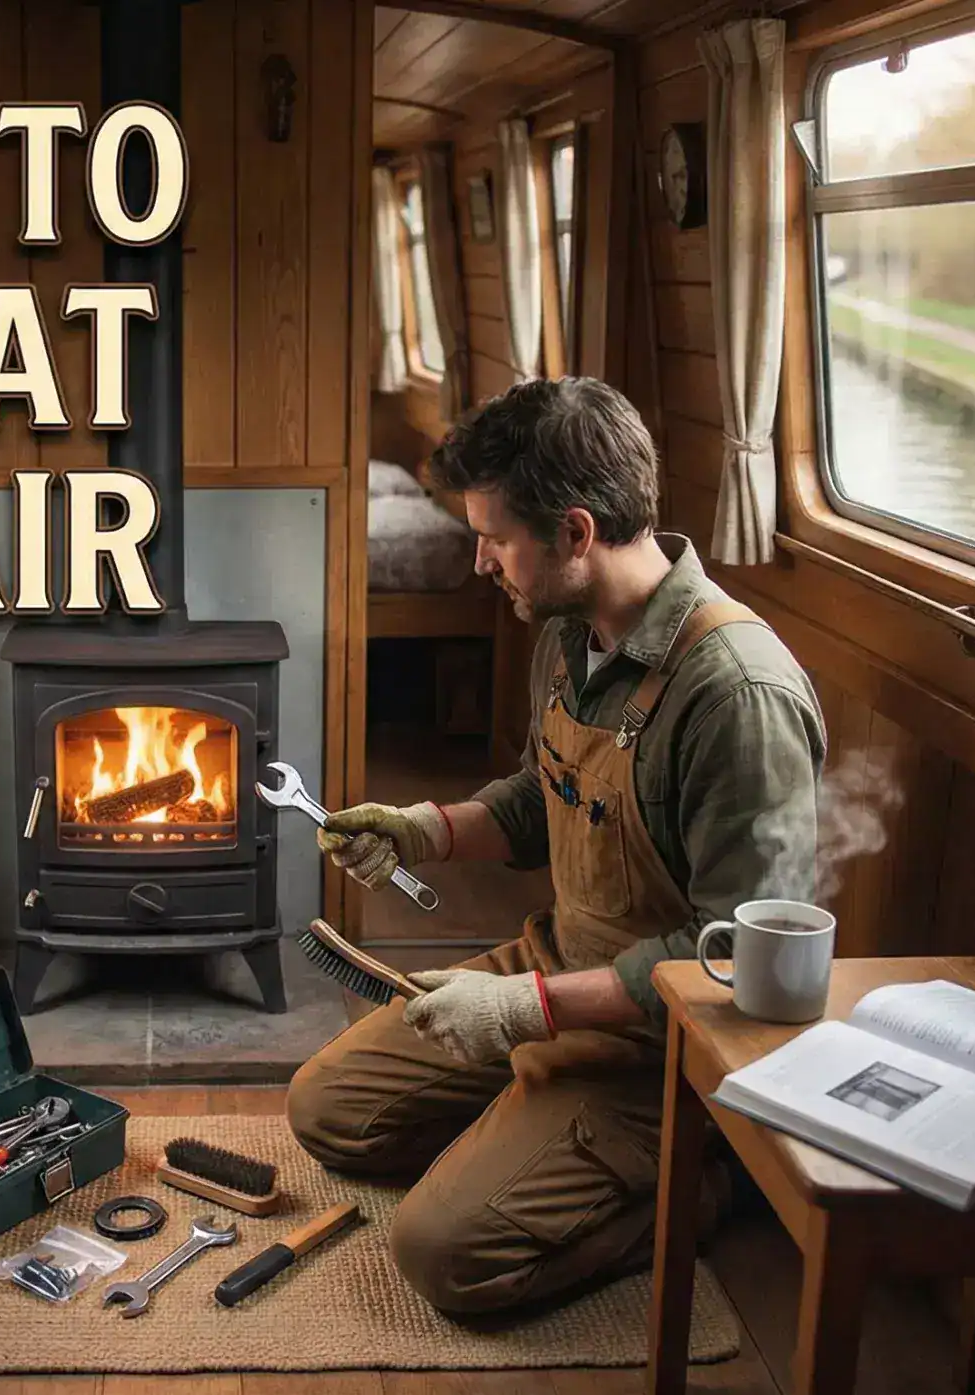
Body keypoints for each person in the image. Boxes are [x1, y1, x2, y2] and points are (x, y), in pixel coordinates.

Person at [288, 377, 825, 1315]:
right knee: (328, 1109)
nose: (481, 558)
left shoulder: (737, 697)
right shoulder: (572, 633)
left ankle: (703, 1181)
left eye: (495, 537)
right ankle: (528, 1138)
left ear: (576, 534)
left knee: (439, 1252)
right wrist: (422, 829)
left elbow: (737, 966)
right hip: (562, 967)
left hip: (664, 1053)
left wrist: (521, 1011)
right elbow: (545, 801)